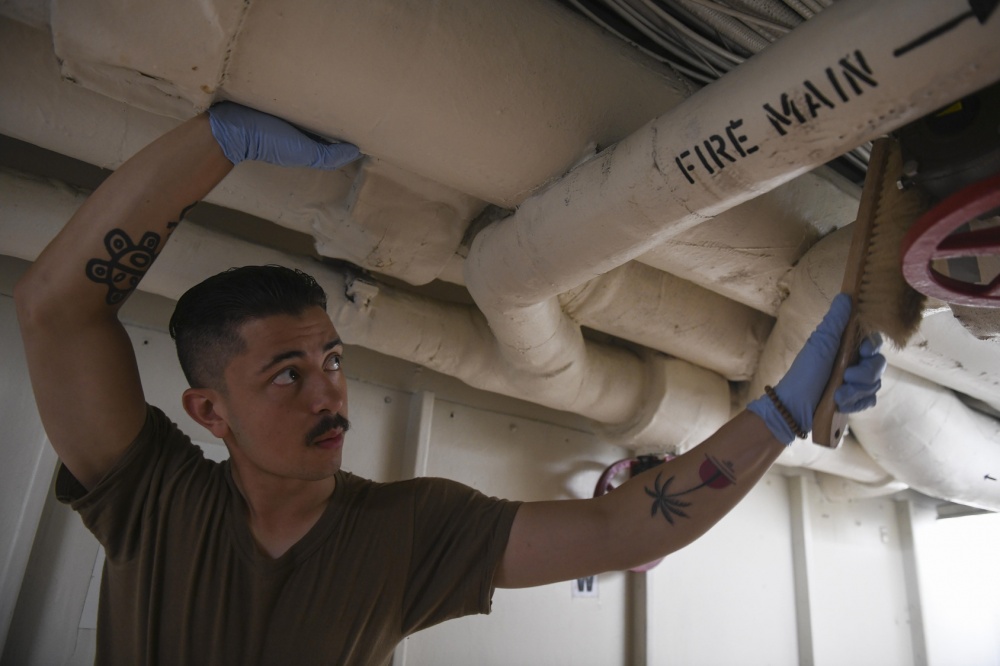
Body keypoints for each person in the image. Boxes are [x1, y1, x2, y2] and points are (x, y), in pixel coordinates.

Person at [14, 102, 885, 665]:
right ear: (210, 411)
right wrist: (214, 142)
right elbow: (54, 308)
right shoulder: (156, 499)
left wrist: (778, 413)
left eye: (333, 362)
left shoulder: (409, 532)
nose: (329, 396)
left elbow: (620, 529)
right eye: (287, 375)